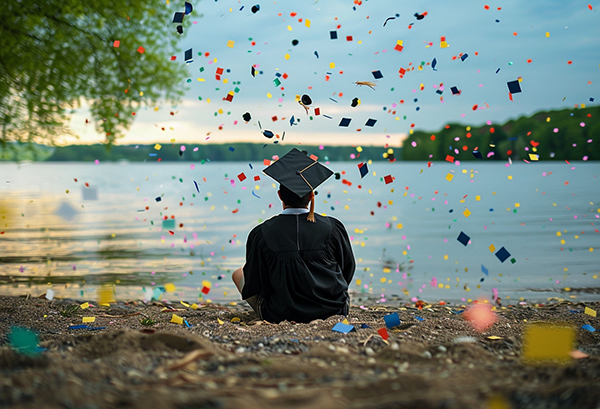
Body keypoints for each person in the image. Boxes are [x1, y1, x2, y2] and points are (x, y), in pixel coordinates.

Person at [232, 148, 355, 323]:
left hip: (280, 314)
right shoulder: (333, 227)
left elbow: (254, 283)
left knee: (238, 273)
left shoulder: (261, 233)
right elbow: (347, 270)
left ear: (280, 195)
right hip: (333, 310)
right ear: (312, 195)